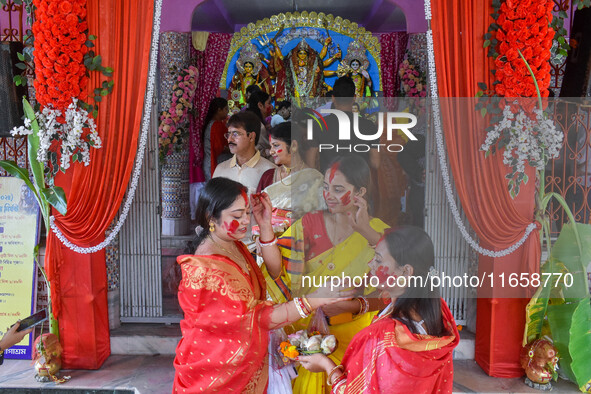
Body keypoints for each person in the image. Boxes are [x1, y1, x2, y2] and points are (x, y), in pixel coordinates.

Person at [173, 177, 352, 393]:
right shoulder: (209, 268)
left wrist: (265, 224)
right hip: (219, 369)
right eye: (237, 216)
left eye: (247, 212)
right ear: (211, 217)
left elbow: (274, 272)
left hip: (245, 358)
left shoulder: (230, 243)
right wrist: (314, 300)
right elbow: (256, 319)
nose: (246, 221)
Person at [261, 155, 390, 393]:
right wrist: (267, 228)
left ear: (360, 191)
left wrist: (351, 307)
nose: (328, 195)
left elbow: (391, 293)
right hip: (307, 338)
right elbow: (277, 271)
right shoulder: (309, 224)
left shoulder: (380, 234)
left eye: (338, 189)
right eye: (325, 187)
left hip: (353, 337)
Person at [298, 226, 460, 393]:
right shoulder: (438, 310)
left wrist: (326, 365)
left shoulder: (381, 335)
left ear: (406, 271)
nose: (370, 264)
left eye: (379, 260)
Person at [255, 122, 324, 236]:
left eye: (276, 145)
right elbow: (257, 214)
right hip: (268, 244)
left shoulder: (314, 179)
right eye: (271, 146)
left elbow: (321, 220)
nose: (271, 151)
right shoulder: (267, 176)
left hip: (302, 245)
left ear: (294, 146)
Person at [305, 76, 380, 173]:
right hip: (358, 183)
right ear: (354, 98)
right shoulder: (369, 126)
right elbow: (376, 163)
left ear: (333, 98)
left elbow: (310, 164)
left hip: (330, 183)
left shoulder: (316, 125)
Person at [213, 111, 275, 194]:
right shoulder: (220, 169)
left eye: (235, 134)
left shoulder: (270, 172)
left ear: (251, 137)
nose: (229, 139)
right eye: (228, 134)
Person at [202, 97, 229, 181]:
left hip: (209, 161)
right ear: (219, 110)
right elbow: (219, 147)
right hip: (214, 162)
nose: (227, 112)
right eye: (226, 109)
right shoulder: (216, 125)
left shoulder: (211, 123)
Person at [247, 90, 273, 157]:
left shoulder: (249, 119)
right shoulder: (258, 125)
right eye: (269, 103)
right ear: (260, 105)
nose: (271, 106)